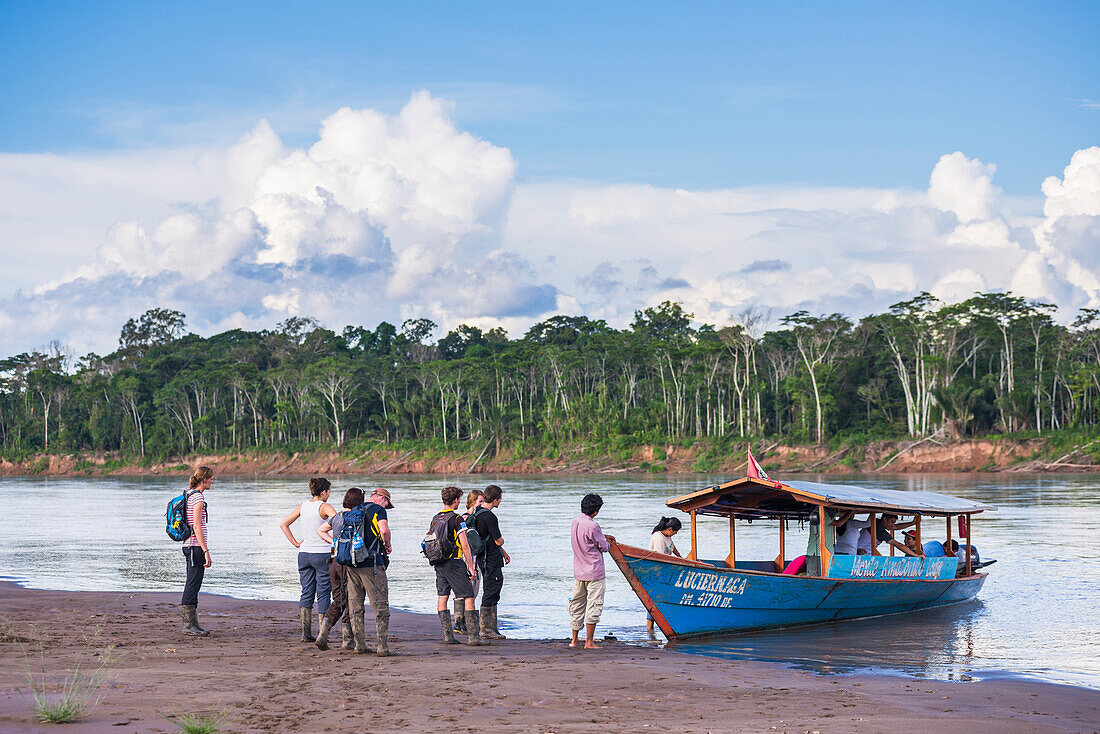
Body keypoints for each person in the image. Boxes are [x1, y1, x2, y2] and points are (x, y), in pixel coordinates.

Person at [279, 477, 338, 642]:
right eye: (329, 492)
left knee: (306, 592)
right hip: (322, 554)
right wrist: (333, 537)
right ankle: (322, 634)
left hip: (304, 554)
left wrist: (296, 543)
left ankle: (306, 634)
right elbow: (339, 522)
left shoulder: (303, 506)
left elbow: (284, 524)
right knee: (324, 592)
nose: (329, 495)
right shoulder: (324, 506)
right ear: (324, 492)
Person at [339, 487, 394, 656]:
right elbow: (383, 530)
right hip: (372, 565)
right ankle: (382, 647)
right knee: (380, 605)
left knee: (355, 605)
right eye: (387, 503)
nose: (386, 507)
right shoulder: (378, 510)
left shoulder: (353, 510)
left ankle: (360, 645)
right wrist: (388, 544)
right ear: (381, 499)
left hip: (352, 564)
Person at [313, 487, 365, 652]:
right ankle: (347, 640)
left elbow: (320, 530)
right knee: (350, 600)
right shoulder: (357, 518)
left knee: (338, 600)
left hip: (334, 562)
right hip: (348, 564)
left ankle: (323, 635)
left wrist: (333, 542)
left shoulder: (336, 517)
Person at [430, 486, 482, 646]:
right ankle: (473, 637)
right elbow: (465, 545)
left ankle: (448, 636)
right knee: (468, 596)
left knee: (442, 596)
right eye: (459, 498)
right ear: (455, 500)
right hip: (454, 561)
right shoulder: (457, 519)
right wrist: (471, 566)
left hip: (438, 562)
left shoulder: (436, 517)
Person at [569, 493, 614, 649]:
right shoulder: (593, 525)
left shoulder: (576, 521)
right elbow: (604, 547)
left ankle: (574, 641)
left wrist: (602, 537)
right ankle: (589, 642)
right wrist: (608, 542)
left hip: (579, 571)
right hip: (594, 572)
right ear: (595, 511)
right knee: (594, 606)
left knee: (577, 604)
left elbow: (586, 539)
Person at [473, 484, 511, 640]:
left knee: (490, 589)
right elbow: (498, 540)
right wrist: (502, 543)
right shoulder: (490, 516)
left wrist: (504, 552)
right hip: (491, 560)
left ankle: (490, 628)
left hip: (482, 557)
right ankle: (486, 628)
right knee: (492, 590)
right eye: (500, 499)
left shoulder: (477, 513)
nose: (500, 502)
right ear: (496, 499)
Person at [180, 466, 213, 636]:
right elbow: (197, 526)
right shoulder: (198, 498)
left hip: (190, 545)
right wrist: (205, 550)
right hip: (195, 546)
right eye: (211, 478)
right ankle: (188, 625)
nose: (212, 481)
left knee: (194, 583)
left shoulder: (190, 494)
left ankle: (194, 624)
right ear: (204, 479)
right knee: (192, 583)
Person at [453, 488, 484, 635]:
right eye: (480, 501)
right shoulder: (466, 518)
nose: (482, 504)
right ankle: (460, 623)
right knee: (467, 591)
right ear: (472, 502)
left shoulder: (474, 517)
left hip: (472, 558)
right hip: (467, 559)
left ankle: (461, 623)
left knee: (471, 592)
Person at [646, 517, 681, 636]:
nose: (676, 533)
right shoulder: (658, 536)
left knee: (658, 598)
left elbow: (673, 548)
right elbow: (660, 557)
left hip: (665, 571)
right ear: (670, 529)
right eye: (676, 531)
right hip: (657, 571)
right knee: (654, 599)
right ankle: (649, 628)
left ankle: (652, 629)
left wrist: (681, 559)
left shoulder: (667, 536)